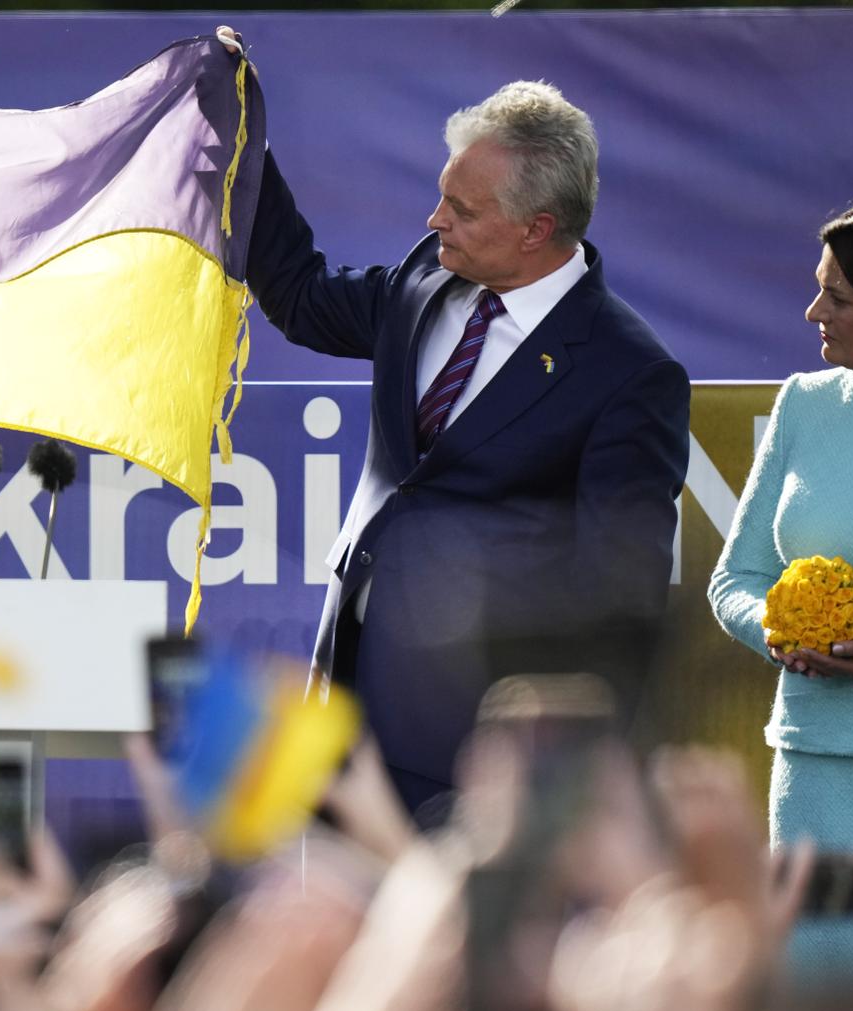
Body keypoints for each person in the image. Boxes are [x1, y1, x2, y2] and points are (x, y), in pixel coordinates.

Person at [240, 71, 690, 817]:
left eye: (461, 207)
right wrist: (244, 146)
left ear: (536, 228)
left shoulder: (629, 372)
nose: (434, 217)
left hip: (473, 755)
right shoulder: (426, 277)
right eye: (444, 192)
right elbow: (302, 298)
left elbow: (624, 598)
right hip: (343, 708)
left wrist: (555, 786)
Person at [708, 199, 853, 850]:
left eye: (838, 297)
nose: (814, 313)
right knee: (814, 952)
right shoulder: (803, 402)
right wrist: (783, 628)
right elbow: (735, 580)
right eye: (816, 290)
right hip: (813, 766)